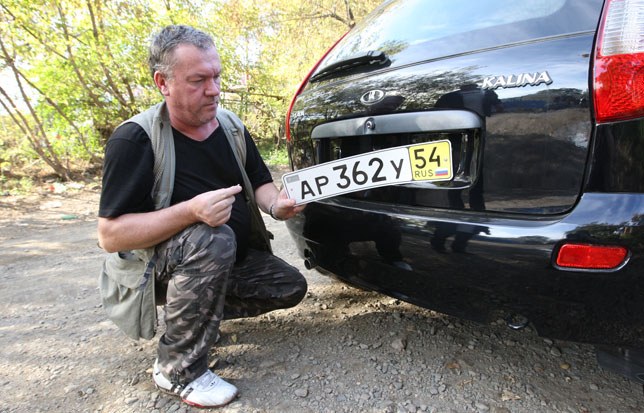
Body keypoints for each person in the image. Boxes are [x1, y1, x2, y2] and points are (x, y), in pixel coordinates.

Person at [97, 24, 307, 408]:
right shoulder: (135, 140)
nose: (213, 90)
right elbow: (111, 235)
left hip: (220, 266)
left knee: (288, 286)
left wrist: (279, 205)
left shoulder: (230, 126)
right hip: (157, 271)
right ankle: (177, 368)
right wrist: (191, 211)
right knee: (213, 236)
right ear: (164, 83)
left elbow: (261, 184)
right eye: (198, 80)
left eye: (216, 77)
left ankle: (196, 321)